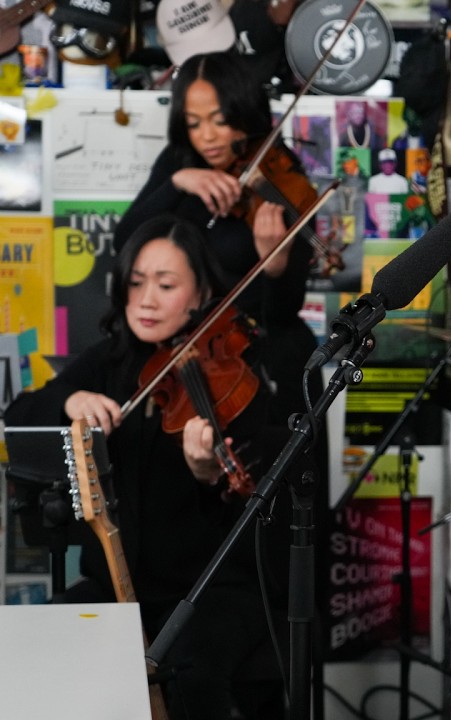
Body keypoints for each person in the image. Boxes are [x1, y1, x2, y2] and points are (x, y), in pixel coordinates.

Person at [3, 215, 298, 720]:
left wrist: (208, 475)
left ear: (201, 292)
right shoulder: (110, 360)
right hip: (115, 583)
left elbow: (253, 500)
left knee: (188, 670)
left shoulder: (233, 375)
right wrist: (70, 398)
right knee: (42, 651)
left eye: (166, 285)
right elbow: (21, 411)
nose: (146, 299)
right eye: (136, 283)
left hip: (212, 590)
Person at [114, 51, 321, 435]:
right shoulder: (180, 160)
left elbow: (283, 313)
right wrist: (178, 183)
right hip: (185, 358)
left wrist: (274, 266)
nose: (206, 136)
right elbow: (125, 244)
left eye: (220, 121)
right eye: (193, 123)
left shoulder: (278, 175)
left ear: (245, 112)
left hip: (260, 362)